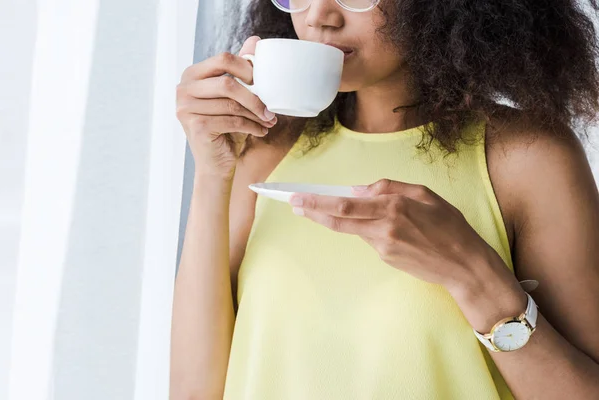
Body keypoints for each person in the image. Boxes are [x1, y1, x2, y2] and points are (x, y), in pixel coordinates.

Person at [170, 0, 599, 399]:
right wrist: (212, 172)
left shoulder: (526, 159)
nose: (319, 16)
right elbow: (193, 391)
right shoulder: (264, 150)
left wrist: (473, 274)